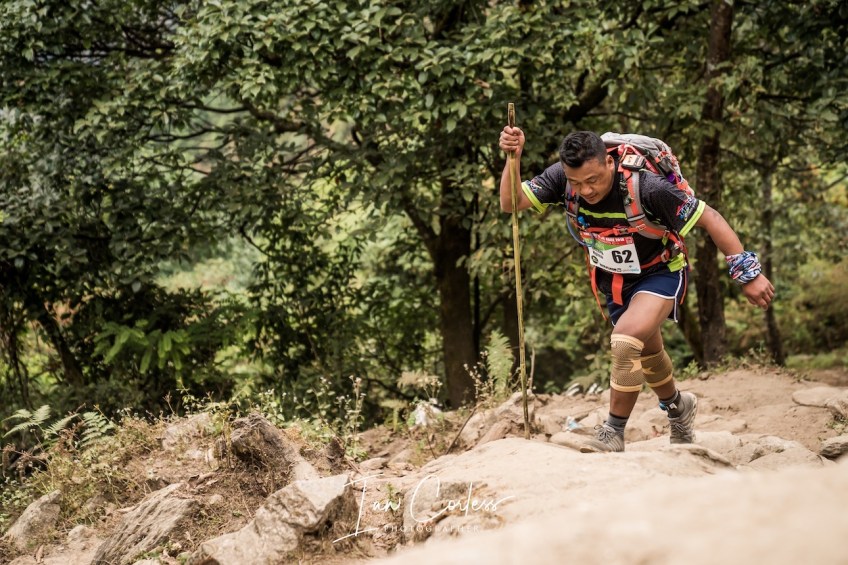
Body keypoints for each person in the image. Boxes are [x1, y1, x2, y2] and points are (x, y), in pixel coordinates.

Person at [499, 128, 775, 452]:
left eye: (593, 180)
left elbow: (710, 218)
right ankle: (678, 407)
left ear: (608, 163)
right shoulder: (563, 178)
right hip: (615, 281)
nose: (586, 190)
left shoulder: (647, 187)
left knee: (625, 341)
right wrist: (513, 158)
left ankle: (613, 431)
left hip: (660, 272)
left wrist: (747, 274)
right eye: (577, 183)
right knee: (648, 353)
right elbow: (511, 202)